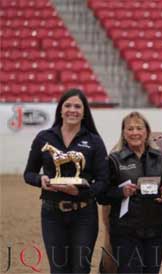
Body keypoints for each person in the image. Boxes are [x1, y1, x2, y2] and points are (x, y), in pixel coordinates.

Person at [24, 88, 109, 274]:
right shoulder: (43, 138)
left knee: (80, 268)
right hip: (52, 214)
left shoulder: (94, 141)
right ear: (60, 110)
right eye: (68, 105)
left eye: (78, 106)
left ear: (84, 111)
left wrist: (80, 192)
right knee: (58, 269)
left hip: (84, 214)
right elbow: (28, 173)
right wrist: (41, 180)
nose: (73, 110)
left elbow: (103, 181)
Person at [101, 112, 162, 274]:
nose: (135, 132)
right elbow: (101, 195)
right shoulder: (114, 160)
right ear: (124, 133)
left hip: (155, 232)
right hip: (125, 232)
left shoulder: (161, 158)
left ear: (147, 132)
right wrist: (120, 192)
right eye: (130, 129)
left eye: (139, 128)